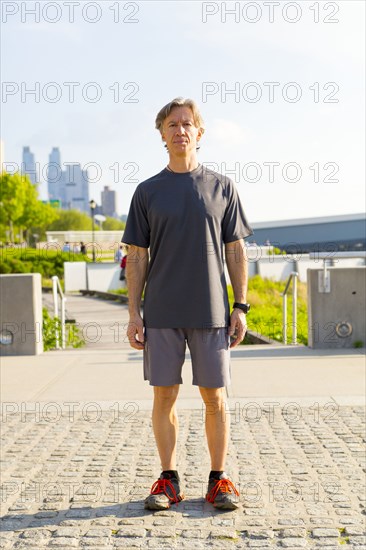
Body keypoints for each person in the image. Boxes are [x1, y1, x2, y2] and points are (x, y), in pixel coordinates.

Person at [122, 97, 253, 511]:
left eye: (188, 123)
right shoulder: (147, 192)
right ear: (162, 134)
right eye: (173, 124)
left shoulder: (221, 187)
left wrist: (241, 305)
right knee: (165, 398)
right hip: (161, 313)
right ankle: (168, 480)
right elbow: (137, 256)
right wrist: (133, 314)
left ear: (200, 132)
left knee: (215, 398)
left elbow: (236, 250)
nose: (181, 130)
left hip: (213, 312)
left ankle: (219, 479)